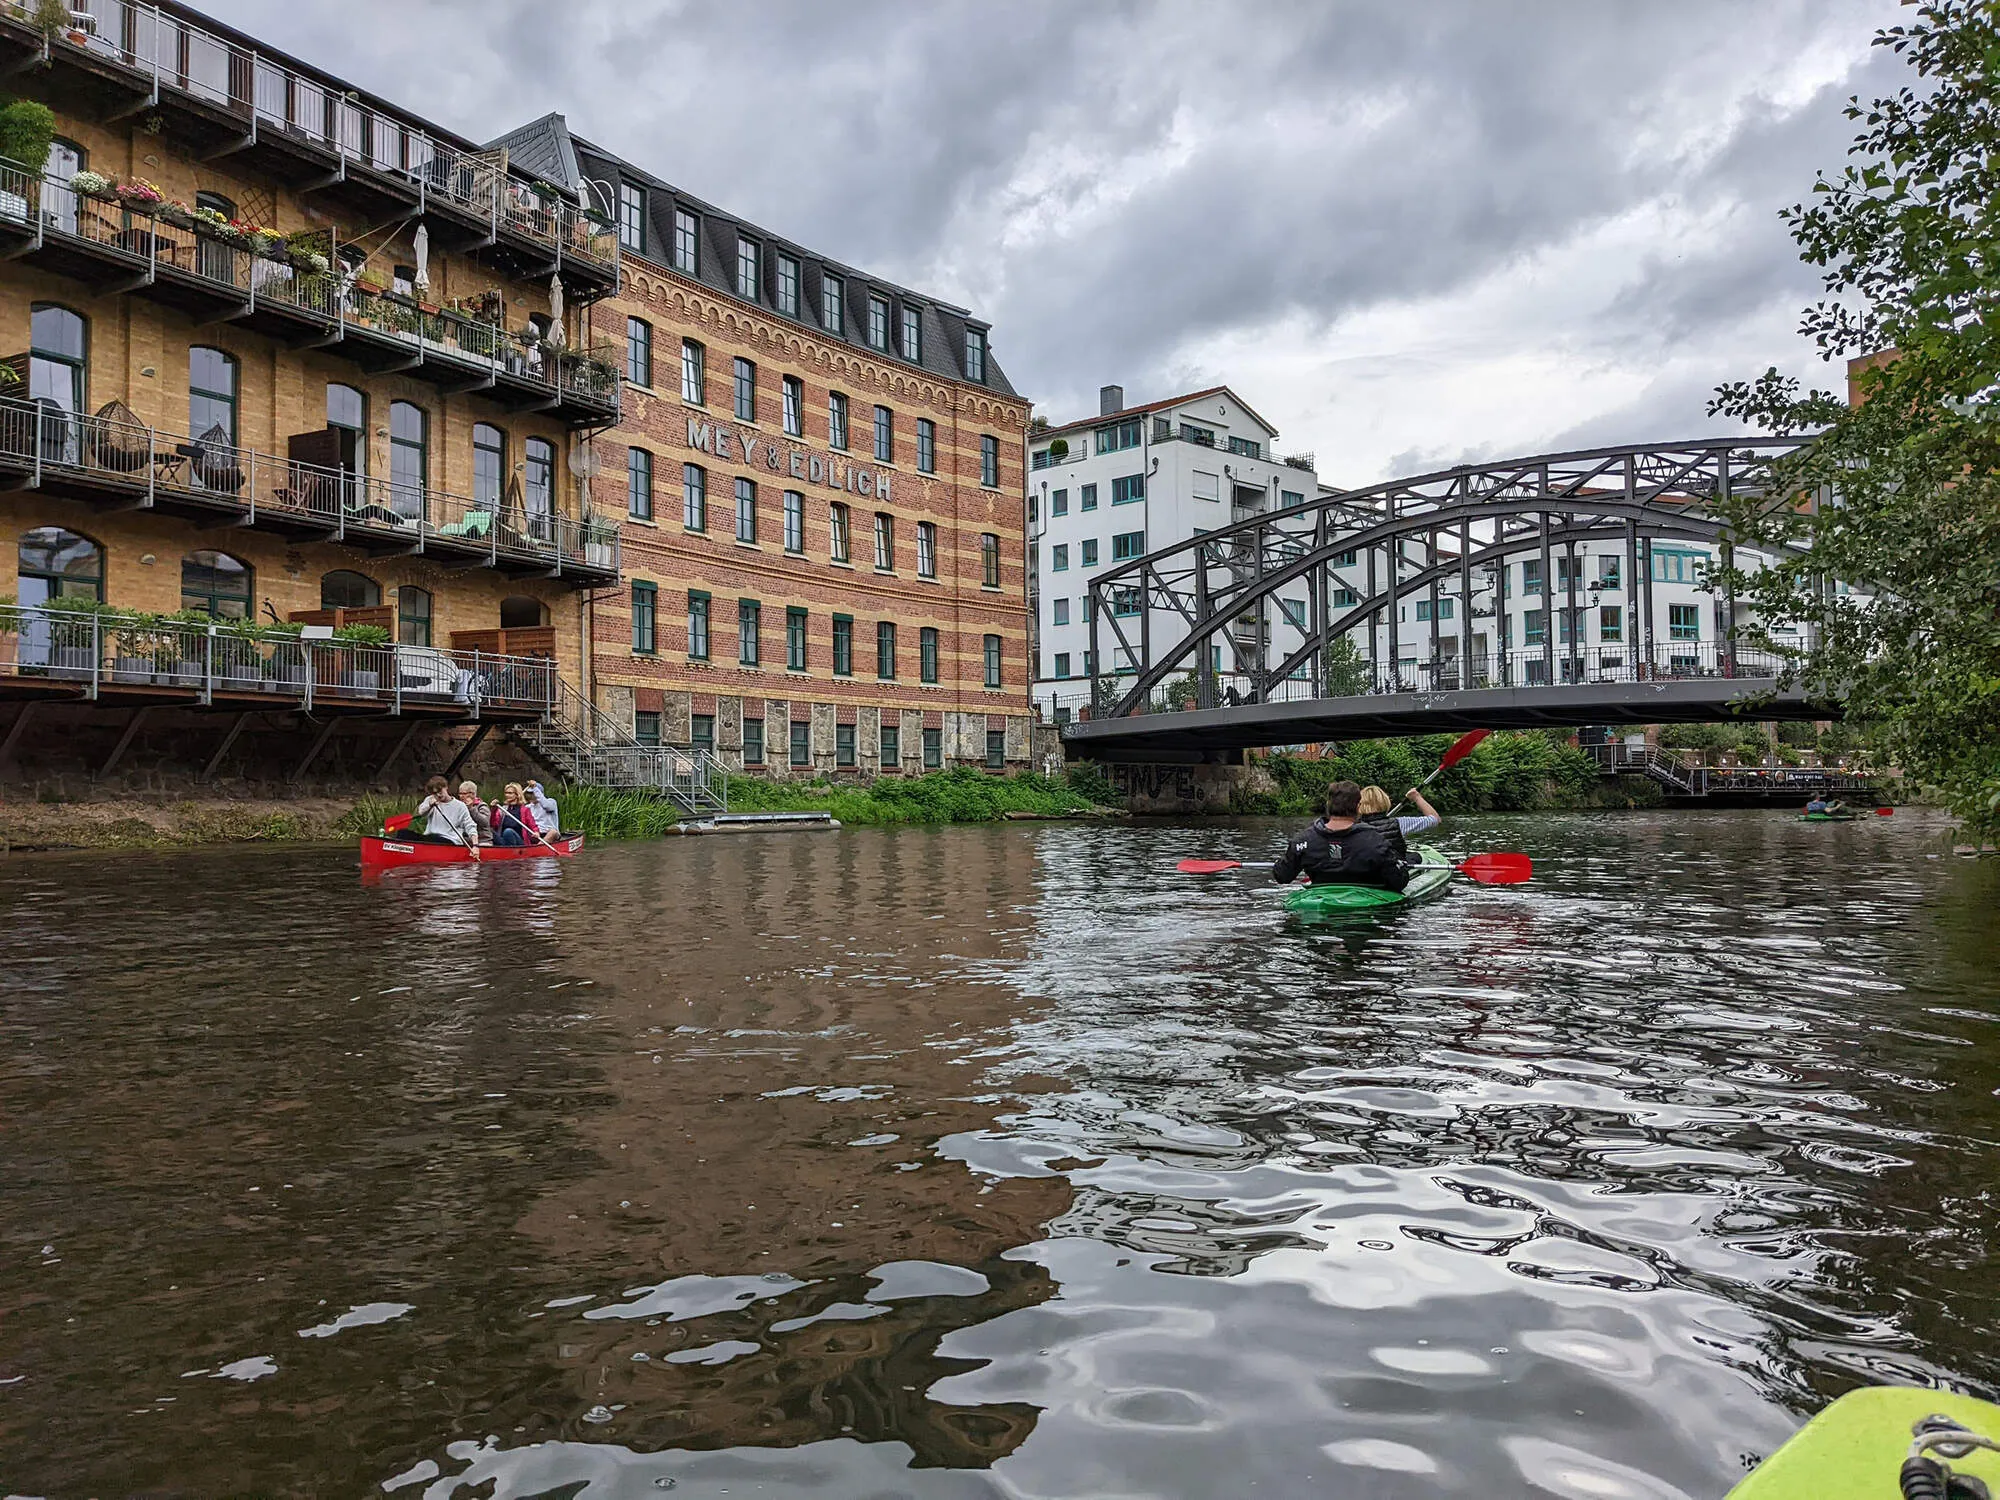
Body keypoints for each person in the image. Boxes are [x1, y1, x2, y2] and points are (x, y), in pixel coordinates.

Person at [1270, 780, 1408, 891]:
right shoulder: (1375, 841)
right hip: (1363, 905)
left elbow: (1282, 876)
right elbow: (1399, 881)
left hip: (1320, 899)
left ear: (1328, 805)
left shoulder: (1303, 840)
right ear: (1358, 807)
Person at [1356, 784, 1442, 863]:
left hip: (1365, 867)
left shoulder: (1352, 826)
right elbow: (1435, 819)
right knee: (1416, 857)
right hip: (1393, 869)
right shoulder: (1400, 823)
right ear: (1386, 802)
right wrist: (1417, 797)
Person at [411, 775, 481, 857]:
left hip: (449, 840)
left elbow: (470, 826)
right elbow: (420, 813)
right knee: (403, 833)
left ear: (446, 787)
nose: (438, 795)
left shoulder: (460, 806)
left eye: (440, 791)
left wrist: (475, 846)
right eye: (435, 793)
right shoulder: (430, 800)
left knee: (433, 838)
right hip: (430, 838)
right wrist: (430, 806)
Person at [491, 782, 541, 848]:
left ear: (517, 795)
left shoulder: (524, 810)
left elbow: (533, 825)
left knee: (508, 832)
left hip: (519, 842)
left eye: (510, 793)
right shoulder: (502, 809)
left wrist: (536, 832)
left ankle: (508, 851)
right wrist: (493, 811)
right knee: (489, 831)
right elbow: (493, 824)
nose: (507, 795)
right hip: (503, 841)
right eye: (506, 793)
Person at [458, 781, 493, 845]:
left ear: (472, 794)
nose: (461, 796)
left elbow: (485, 822)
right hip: (465, 840)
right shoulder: (459, 806)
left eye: (464, 794)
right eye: (460, 794)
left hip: (482, 840)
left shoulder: (482, 806)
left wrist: (471, 808)